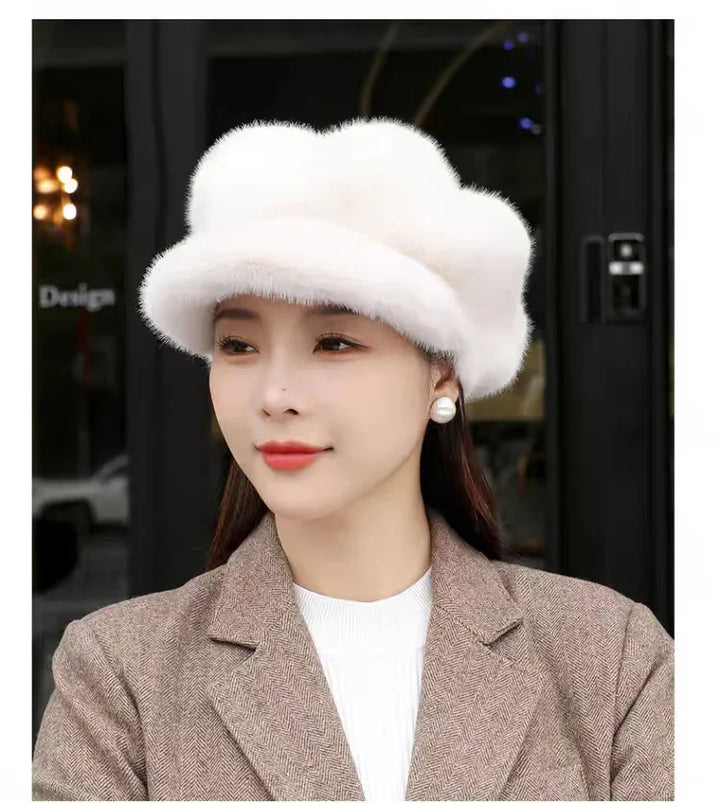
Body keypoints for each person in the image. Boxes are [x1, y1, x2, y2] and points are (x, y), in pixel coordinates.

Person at [32, 118, 674, 801]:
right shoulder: (120, 672)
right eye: (239, 346)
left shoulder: (609, 657)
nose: (275, 394)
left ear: (442, 375)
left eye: (335, 342)